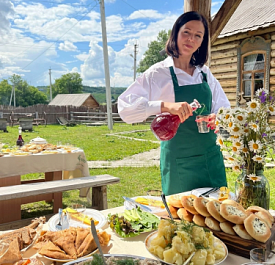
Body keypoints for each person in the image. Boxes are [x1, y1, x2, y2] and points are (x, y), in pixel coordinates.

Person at [118, 11, 230, 196]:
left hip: (210, 157)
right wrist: (166, 106)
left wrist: (217, 117)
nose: (191, 39)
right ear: (176, 33)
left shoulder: (204, 74)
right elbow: (125, 108)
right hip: (179, 161)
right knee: (182, 220)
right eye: (186, 32)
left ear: (202, 41)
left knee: (217, 214)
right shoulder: (158, 73)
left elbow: (224, 109)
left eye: (198, 36)